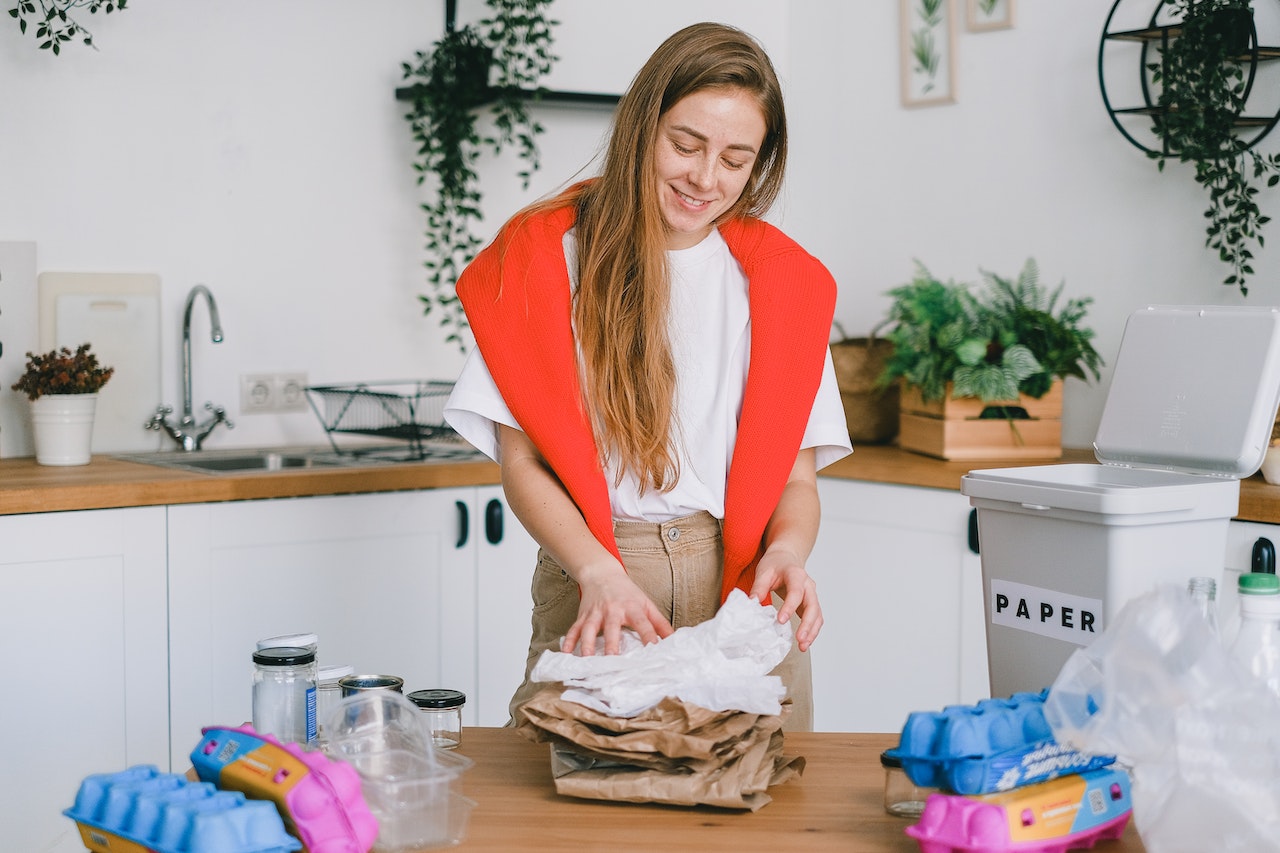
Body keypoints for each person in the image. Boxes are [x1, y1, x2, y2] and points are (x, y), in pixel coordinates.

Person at [443, 21, 851, 732]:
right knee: (570, 817)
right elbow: (523, 463)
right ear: (642, 127)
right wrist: (597, 571)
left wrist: (786, 551)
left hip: (743, 587)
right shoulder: (545, 258)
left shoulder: (787, 284)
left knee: (757, 812)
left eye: (734, 158)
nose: (705, 177)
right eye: (686, 144)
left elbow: (798, 478)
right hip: (599, 573)